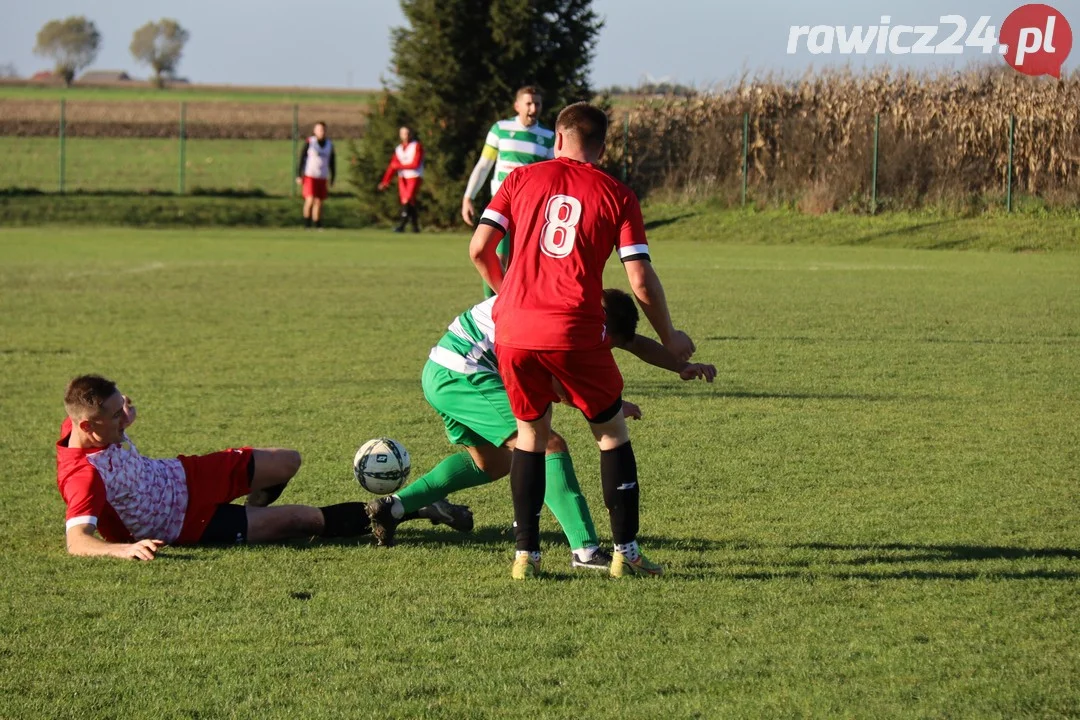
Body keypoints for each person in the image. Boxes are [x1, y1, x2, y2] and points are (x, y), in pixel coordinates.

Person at [469, 102, 697, 580]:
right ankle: (625, 553)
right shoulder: (617, 194)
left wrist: (508, 293)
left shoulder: (519, 180)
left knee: (530, 437)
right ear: (602, 145)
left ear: (557, 138)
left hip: (512, 329)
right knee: (611, 433)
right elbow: (639, 279)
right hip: (573, 327)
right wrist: (670, 337)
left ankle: (526, 558)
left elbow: (479, 249)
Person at [366, 289, 715, 572]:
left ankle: (393, 508)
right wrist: (609, 406)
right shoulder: (565, 319)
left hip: (444, 369)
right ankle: (586, 550)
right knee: (548, 445)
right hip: (465, 372)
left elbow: (631, 342)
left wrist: (680, 366)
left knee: (494, 464)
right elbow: (559, 383)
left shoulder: (577, 304)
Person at [55, 374, 471, 561]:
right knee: (301, 520)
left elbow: (104, 417)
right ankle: (412, 507)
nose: (122, 417)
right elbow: (78, 541)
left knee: (288, 461)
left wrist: (123, 417)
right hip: (186, 522)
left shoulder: (92, 426)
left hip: (184, 475)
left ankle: (252, 518)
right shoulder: (85, 477)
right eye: (114, 416)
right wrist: (123, 549)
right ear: (88, 427)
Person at [461, 86, 554, 297]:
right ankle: (491, 305)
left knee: (519, 262)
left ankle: (512, 305)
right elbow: (484, 165)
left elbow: (551, 177)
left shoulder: (548, 137)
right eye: (529, 103)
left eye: (537, 103)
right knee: (493, 255)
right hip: (502, 204)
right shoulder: (500, 130)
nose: (533, 108)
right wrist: (468, 197)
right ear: (517, 105)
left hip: (530, 208)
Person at [378, 126, 425, 233]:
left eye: (407, 133)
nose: (406, 135)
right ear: (400, 135)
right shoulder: (398, 149)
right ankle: (415, 227)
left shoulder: (416, 146)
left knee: (407, 199)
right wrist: (385, 181)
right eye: (403, 133)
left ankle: (402, 225)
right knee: (409, 201)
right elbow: (392, 166)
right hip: (402, 177)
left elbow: (415, 164)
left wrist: (399, 166)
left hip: (414, 176)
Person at [296, 121, 335, 229]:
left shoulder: (329, 144)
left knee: (319, 202)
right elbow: (302, 158)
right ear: (315, 131)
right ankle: (307, 224)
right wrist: (299, 174)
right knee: (310, 199)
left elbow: (332, 162)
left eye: (323, 130)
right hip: (310, 175)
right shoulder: (310, 142)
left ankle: (318, 224)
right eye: (319, 129)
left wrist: (333, 177)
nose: (321, 132)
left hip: (322, 176)